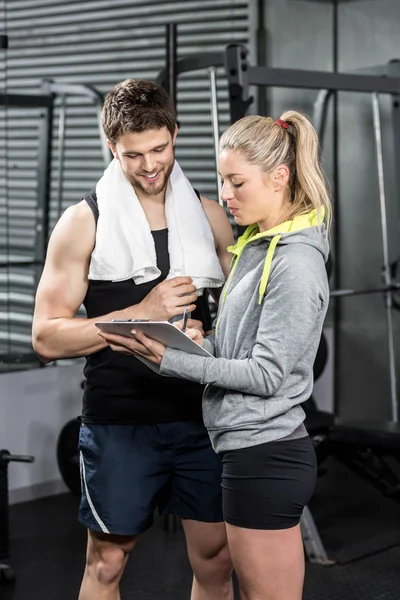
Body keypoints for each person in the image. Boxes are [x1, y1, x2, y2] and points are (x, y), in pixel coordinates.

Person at [99, 111, 332, 600]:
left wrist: (171, 361)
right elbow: (243, 349)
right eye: (222, 180)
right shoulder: (256, 246)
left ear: (280, 177)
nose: (224, 195)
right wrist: (199, 342)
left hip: (266, 455)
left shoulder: (295, 263)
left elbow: (267, 375)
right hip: (244, 449)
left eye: (236, 182)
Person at [32, 79, 235, 600]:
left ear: (175, 134)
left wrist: (207, 333)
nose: (149, 165)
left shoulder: (211, 216)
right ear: (111, 148)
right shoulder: (84, 223)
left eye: (160, 149)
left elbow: (245, 316)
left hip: (202, 415)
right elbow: (47, 337)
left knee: (215, 560)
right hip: (121, 418)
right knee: (106, 564)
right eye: (133, 155)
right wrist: (139, 313)